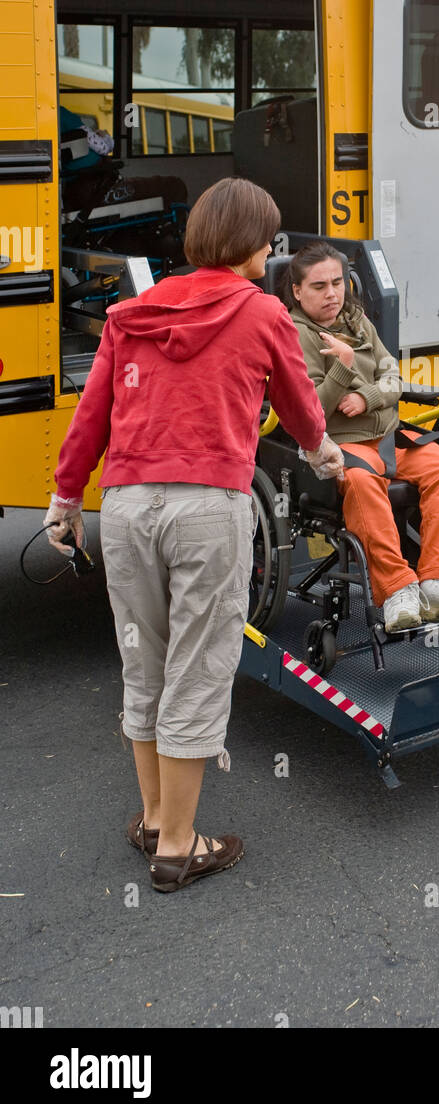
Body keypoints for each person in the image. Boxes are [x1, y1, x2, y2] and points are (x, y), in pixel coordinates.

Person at [45, 178, 343, 893]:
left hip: (125, 505)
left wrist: (64, 498)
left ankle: (153, 818)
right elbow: (300, 405)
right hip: (207, 506)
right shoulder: (264, 311)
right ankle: (178, 847)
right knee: (199, 667)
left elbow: (92, 415)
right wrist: (320, 452)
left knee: (143, 661)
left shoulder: (132, 312)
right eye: (269, 238)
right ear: (249, 243)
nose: (273, 250)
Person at [285, 241, 439, 633]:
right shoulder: (294, 335)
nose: (332, 294)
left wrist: (367, 396)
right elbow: (311, 412)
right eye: (319, 286)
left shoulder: (357, 321)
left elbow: (392, 375)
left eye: (337, 283)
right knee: (360, 483)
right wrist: (342, 368)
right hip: (341, 447)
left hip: (388, 438)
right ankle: (397, 591)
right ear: (297, 291)